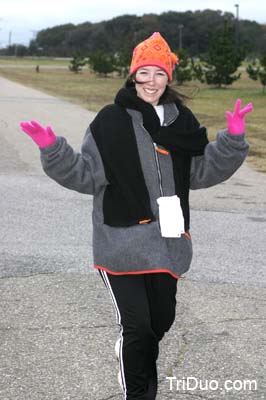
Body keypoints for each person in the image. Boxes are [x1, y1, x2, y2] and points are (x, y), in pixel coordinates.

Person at [20, 32, 253, 400]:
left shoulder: (181, 122)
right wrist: (54, 151)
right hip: (120, 246)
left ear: (168, 78)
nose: (150, 81)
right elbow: (86, 176)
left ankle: (132, 354)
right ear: (132, 76)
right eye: (143, 72)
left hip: (167, 244)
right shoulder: (109, 121)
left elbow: (201, 173)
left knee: (160, 323)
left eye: (158, 73)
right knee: (138, 329)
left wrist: (232, 140)